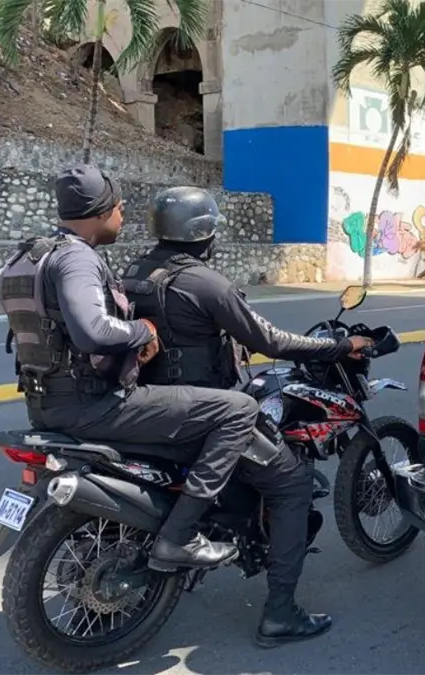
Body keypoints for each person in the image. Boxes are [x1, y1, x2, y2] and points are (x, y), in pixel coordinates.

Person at [121, 187, 373, 646]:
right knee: (292, 484)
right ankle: (280, 613)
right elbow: (270, 341)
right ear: (203, 233)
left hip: (146, 407)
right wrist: (341, 345)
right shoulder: (205, 283)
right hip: (204, 413)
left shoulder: (136, 273)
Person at [0, 165, 256, 575]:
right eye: (119, 208)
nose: (122, 216)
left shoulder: (31, 254)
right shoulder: (77, 259)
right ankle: (180, 536)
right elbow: (92, 331)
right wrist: (142, 330)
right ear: (101, 211)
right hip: (93, 405)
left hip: (43, 402)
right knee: (238, 409)